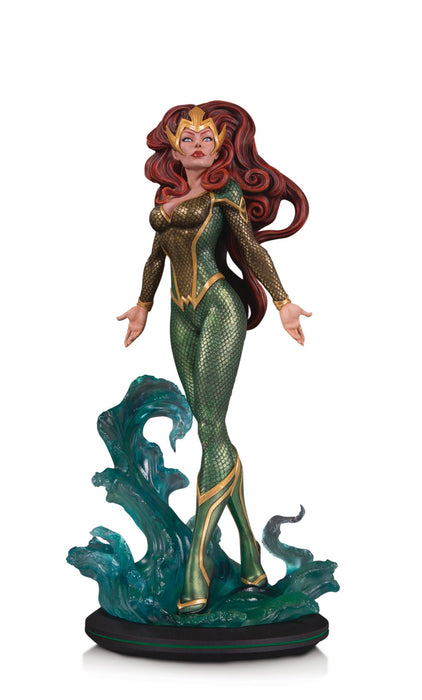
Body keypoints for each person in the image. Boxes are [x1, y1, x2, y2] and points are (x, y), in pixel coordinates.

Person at [118, 101, 311, 613]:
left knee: (210, 426)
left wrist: (284, 301)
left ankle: (198, 564)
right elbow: (156, 256)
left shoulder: (225, 192)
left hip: (218, 306)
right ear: (174, 148)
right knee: (212, 429)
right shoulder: (166, 196)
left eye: (207, 138)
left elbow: (252, 250)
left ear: (221, 147)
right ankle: (250, 556)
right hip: (179, 313)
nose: (198, 145)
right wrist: (142, 305)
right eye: (188, 138)